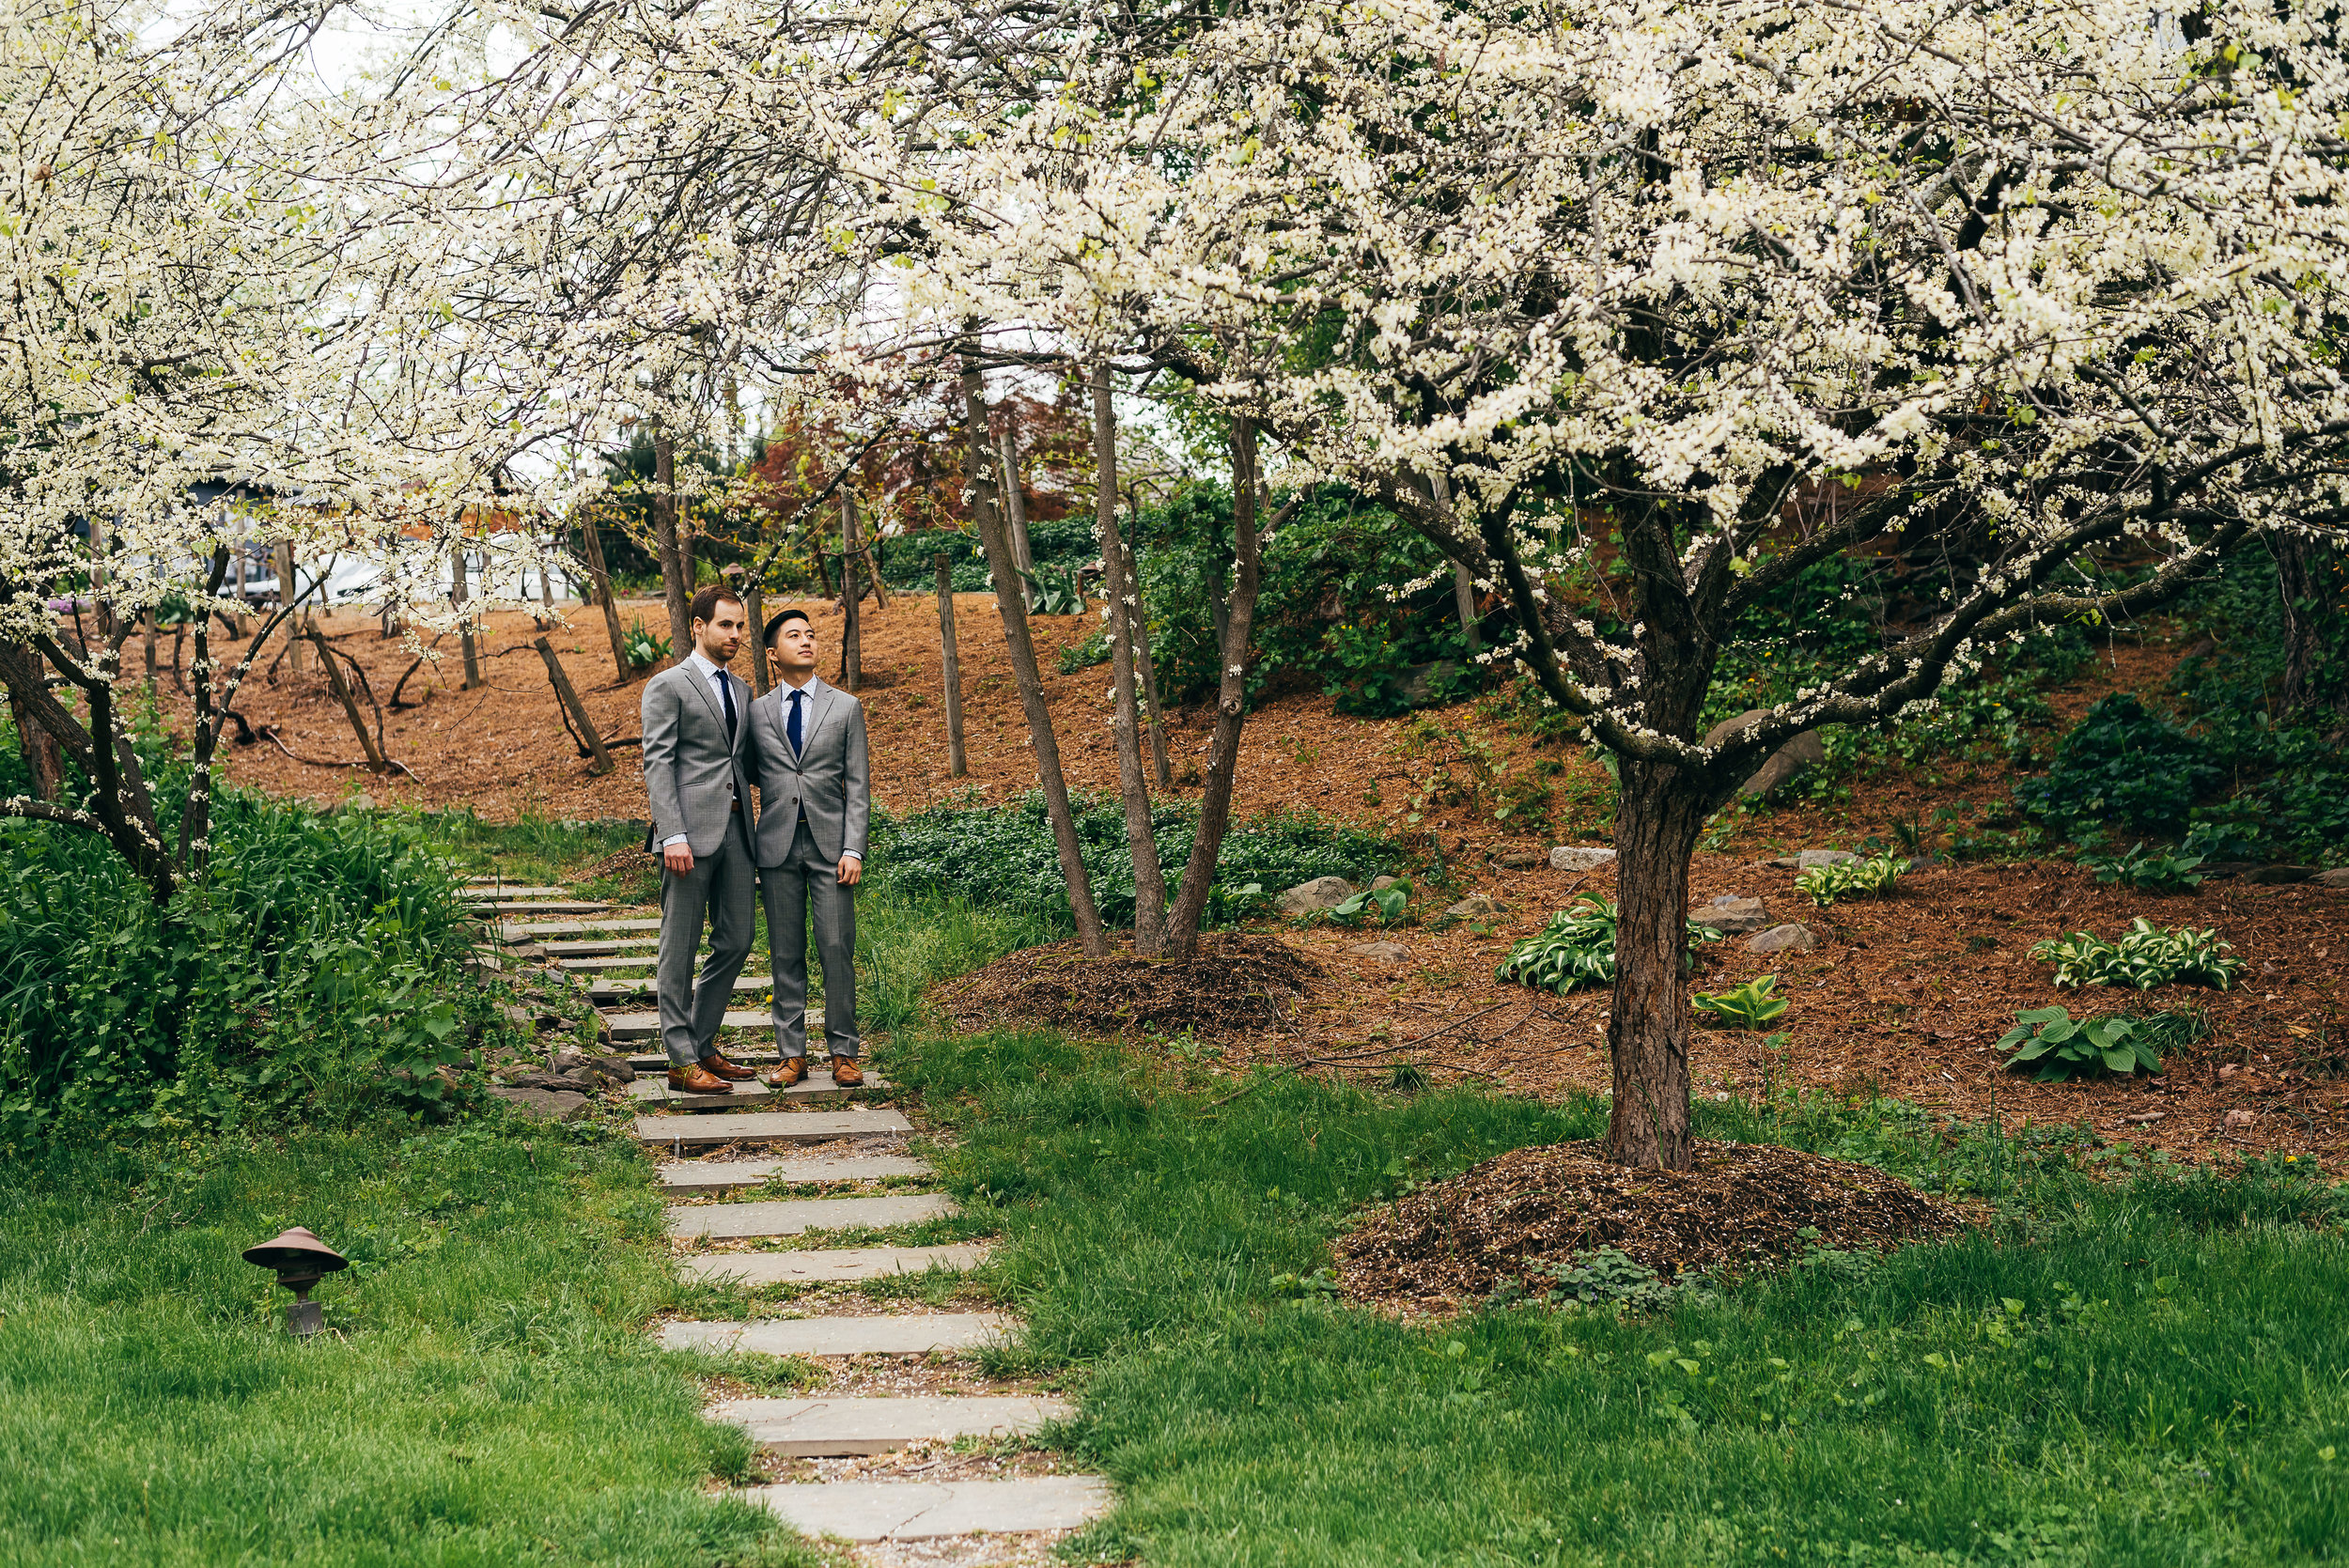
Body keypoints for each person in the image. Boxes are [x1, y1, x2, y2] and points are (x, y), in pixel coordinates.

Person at [639, 585, 761, 1094]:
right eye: (725, 625)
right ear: (698, 626)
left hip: (738, 830)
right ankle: (679, 1058)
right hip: (686, 837)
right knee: (679, 945)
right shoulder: (667, 685)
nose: (735, 635)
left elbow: (745, 762)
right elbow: (658, 763)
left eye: (740, 627)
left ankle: (703, 1042)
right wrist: (672, 834)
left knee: (737, 940)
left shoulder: (743, 690)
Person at [743, 606, 870, 1088]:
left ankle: (843, 1052)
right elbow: (754, 770)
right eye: (794, 636)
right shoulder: (757, 712)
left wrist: (853, 848)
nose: (806, 641)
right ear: (774, 654)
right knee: (785, 951)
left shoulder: (846, 708)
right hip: (775, 846)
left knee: (836, 946)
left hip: (831, 847)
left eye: (811, 634)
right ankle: (792, 1054)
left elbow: (857, 785)